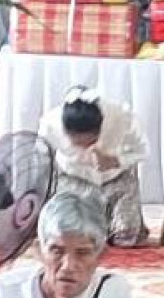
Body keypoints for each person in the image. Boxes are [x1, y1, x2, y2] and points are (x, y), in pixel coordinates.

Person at [0, 189, 139, 298]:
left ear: (100, 256)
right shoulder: (5, 292)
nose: (68, 266)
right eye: (57, 251)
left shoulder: (111, 294)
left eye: (82, 253)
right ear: (38, 251)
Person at [41, 89, 149, 247]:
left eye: (91, 141)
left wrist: (116, 161)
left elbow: (143, 151)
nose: (86, 147)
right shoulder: (50, 125)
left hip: (115, 180)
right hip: (73, 181)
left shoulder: (121, 117)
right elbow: (43, 159)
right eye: (78, 143)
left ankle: (118, 226)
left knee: (126, 238)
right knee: (69, 232)